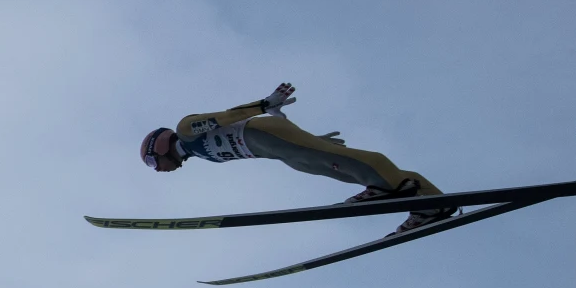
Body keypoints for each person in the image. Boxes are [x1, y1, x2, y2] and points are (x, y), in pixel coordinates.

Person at [140, 83, 456, 234]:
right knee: (332, 167)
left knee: (339, 160)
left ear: (161, 144)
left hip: (262, 134)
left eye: (154, 163)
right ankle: (430, 202)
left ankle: (388, 188)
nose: (160, 171)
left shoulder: (185, 130)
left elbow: (225, 116)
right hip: (269, 147)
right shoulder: (197, 153)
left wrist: (264, 104)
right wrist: (306, 136)